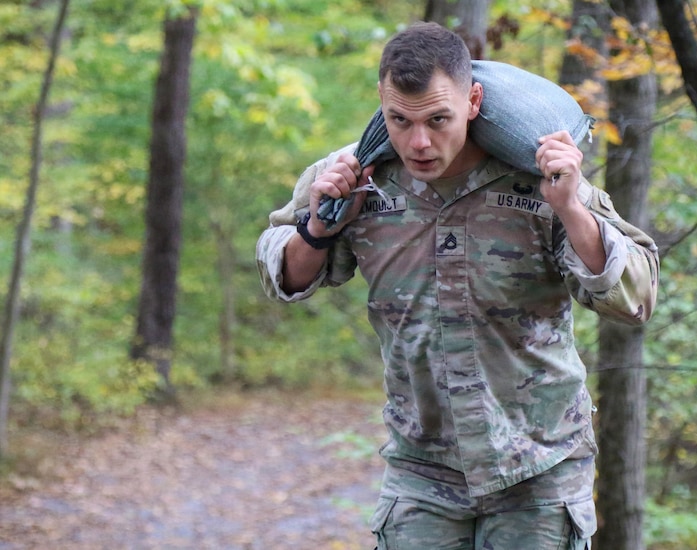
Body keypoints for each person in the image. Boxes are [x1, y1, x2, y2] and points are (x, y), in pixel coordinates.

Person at [257, 21, 659, 550]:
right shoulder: (353, 177)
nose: (418, 142)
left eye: (438, 120)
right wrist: (319, 227)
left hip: (539, 466)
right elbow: (283, 276)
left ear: (473, 101)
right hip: (422, 468)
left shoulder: (541, 177)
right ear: (381, 100)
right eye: (400, 120)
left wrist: (570, 208)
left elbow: (635, 298)